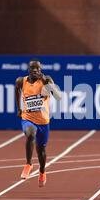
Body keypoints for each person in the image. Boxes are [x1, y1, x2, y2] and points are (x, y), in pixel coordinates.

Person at [15, 59, 61, 187]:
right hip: (27, 118)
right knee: (30, 133)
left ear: (40, 70)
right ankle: (28, 164)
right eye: (32, 68)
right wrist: (19, 108)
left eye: (38, 69)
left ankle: (42, 171)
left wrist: (48, 83)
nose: (35, 70)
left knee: (41, 151)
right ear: (28, 70)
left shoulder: (46, 80)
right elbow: (17, 90)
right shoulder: (21, 81)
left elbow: (58, 96)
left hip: (43, 122)